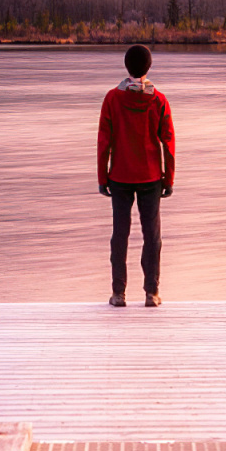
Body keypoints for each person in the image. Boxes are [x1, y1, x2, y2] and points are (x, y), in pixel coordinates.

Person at [95, 43, 176, 306]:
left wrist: (101, 176)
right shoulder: (159, 100)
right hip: (151, 177)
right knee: (152, 236)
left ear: (126, 67)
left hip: (119, 176)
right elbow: (168, 142)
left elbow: (103, 141)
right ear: (149, 67)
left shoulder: (112, 98)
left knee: (120, 234)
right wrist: (169, 178)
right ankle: (151, 293)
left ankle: (119, 293)